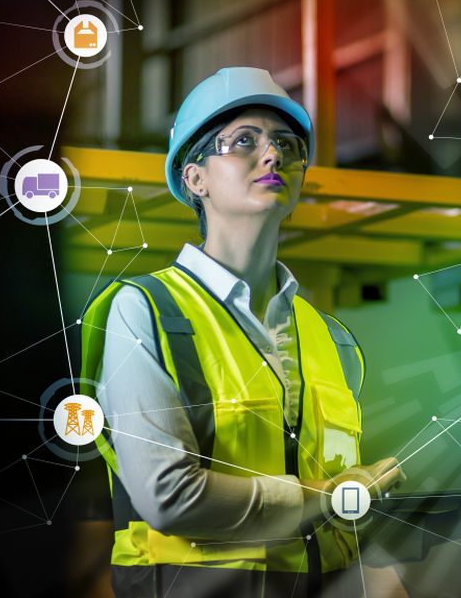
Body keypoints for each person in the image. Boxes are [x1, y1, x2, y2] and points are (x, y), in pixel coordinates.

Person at [79, 67, 405, 598]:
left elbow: (343, 506)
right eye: (244, 141)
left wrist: (379, 570)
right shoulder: (146, 312)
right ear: (195, 178)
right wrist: (326, 496)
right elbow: (169, 497)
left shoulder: (329, 337)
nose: (273, 155)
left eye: (286, 144)